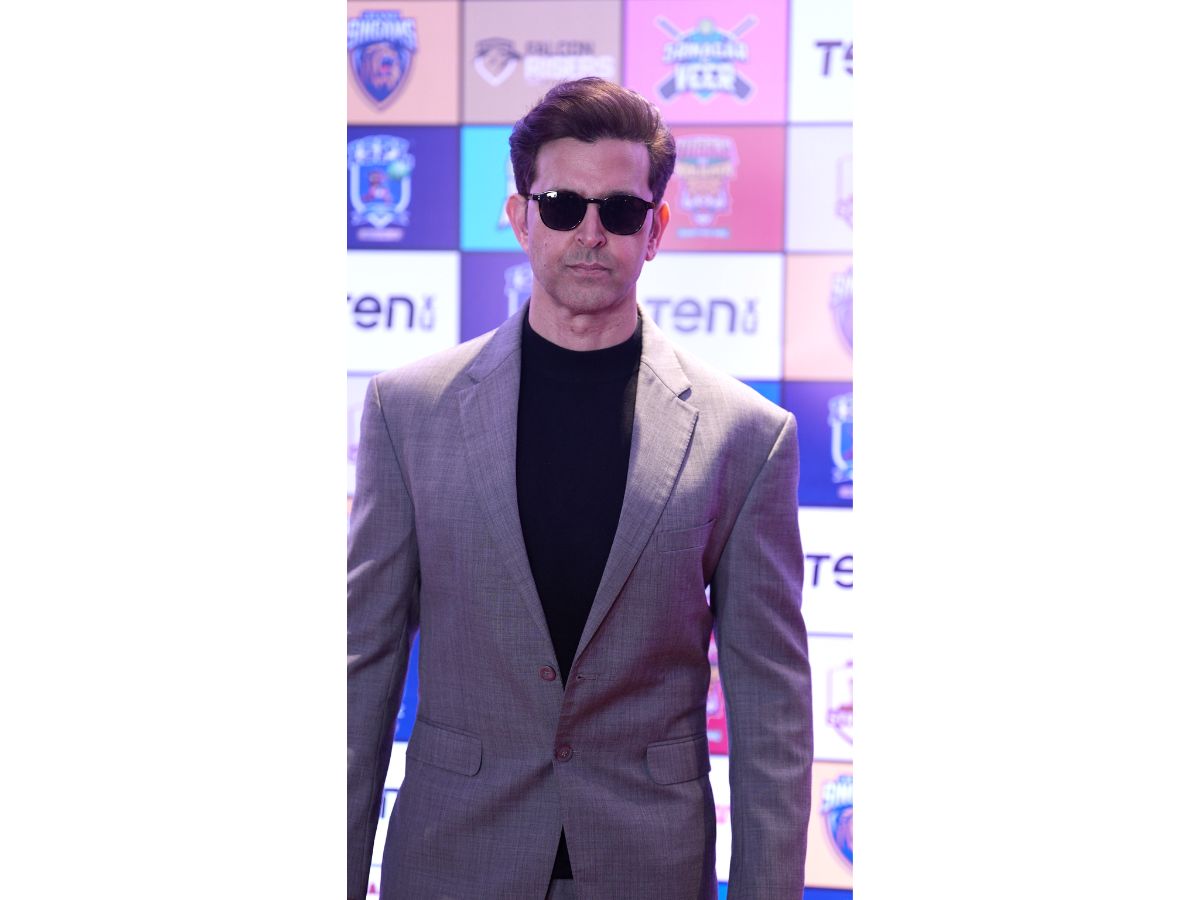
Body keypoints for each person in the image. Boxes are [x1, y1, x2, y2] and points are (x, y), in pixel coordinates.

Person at [347, 77, 812, 900]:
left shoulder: (746, 435)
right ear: (520, 216)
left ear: (656, 230)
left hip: (649, 868)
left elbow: (772, 714)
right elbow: (360, 676)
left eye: (620, 211)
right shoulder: (408, 411)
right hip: (454, 859)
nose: (590, 233)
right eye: (562, 206)